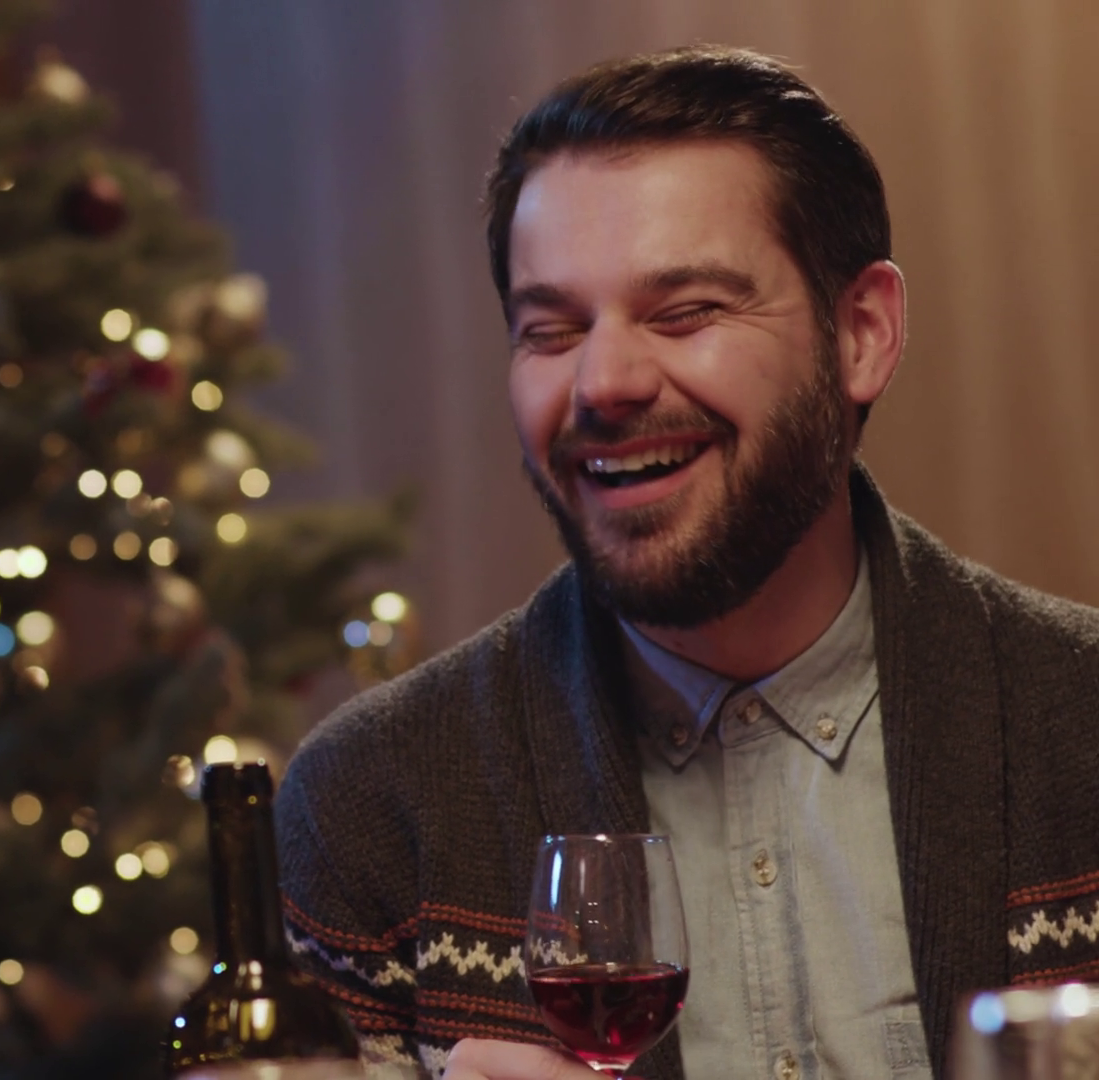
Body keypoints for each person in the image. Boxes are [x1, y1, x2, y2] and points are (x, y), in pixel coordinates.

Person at [276, 45, 1099, 1080]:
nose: (604, 382)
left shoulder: (1079, 726)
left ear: (862, 334)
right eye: (551, 330)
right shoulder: (368, 805)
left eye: (687, 313)